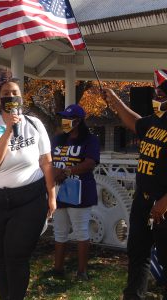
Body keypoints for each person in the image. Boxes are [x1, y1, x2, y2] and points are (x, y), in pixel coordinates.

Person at [0, 76, 56, 300]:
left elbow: (46, 162)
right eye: (6, 94)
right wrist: (9, 130)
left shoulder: (35, 124)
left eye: (15, 93)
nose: (11, 97)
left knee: (17, 255)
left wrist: (52, 195)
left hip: (29, 200)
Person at [104, 70, 167, 300]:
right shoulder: (154, 122)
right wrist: (114, 99)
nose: (157, 99)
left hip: (163, 204)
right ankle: (133, 295)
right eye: (156, 94)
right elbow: (135, 122)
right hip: (143, 200)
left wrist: (165, 201)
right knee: (138, 254)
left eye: (162, 95)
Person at [51, 104, 100, 280]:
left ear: (78, 121)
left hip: (80, 190)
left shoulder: (90, 140)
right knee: (60, 230)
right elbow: (48, 159)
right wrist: (52, 171)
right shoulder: (57, 139)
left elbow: (90, 162)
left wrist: (67, 171)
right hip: (58, 190)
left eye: (68, 118)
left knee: (80, 230)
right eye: (63, 118)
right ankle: (57, 269)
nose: (64, 121)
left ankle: (81, 271)